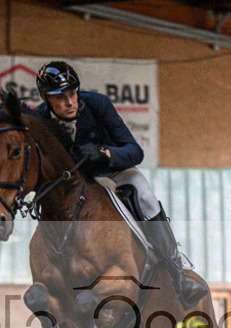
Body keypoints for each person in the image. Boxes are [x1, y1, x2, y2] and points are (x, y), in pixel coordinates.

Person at [34, 61, 208, 307]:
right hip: (75, 184)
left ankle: (178, 274)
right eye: (60, 97)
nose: (70, 102)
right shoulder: (39, 120)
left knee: (145, 195)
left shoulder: (98, 104)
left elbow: (135, 152)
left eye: (72, 93)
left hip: (113, 172)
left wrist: (104, 153)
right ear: (45, 98)